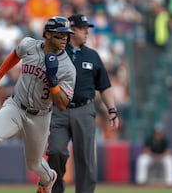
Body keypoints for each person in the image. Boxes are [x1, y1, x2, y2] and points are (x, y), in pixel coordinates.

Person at [0, 16, 76, 193]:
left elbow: (63, 105)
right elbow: (14, 55)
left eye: (67, 35)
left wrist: (54, 83)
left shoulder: (68, 67)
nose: (64, 38)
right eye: (60, 34)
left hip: (40, 115)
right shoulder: (29, 45)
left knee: (34, 164)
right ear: (47, 34)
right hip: (16, 106)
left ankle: (48, 178)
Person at [46, 14, 120, 193]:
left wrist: (112, 110)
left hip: (84, 109)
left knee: (86, 158)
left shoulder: (92, 55)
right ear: (71, 30)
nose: (87, 32)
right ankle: (56, 189)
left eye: (87, 28)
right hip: (58, 109)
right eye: (82, 28)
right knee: (56, 151)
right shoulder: (56, 53)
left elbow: (104, 86)